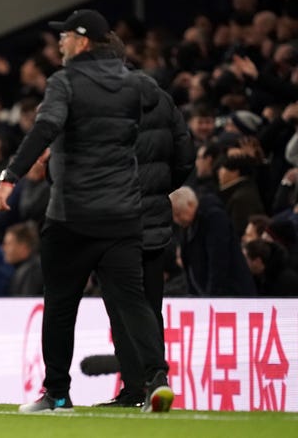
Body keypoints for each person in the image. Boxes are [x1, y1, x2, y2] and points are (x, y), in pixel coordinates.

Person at [0, 9, 173, 413]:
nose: (60, 42)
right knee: (132, 301)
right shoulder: (135, 84)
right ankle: (156, 378)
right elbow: (157, 116)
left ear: (84, 41)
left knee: (59, 305)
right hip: (124, 214)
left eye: (67, 36)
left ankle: (57, 393)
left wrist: (9, 177)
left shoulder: (65, 82)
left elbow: (45, 127)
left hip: (72, 216)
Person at [95, 69, 194, 407]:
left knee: (121, 308)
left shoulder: (105, 104)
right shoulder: (164, 101)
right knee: (150, 307)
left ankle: (137, 386)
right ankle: (152, 384)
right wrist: (157, 190)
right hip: (154, 223)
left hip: (115, 223)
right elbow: (185, 158)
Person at [169, 186, 257, 296]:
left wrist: (212, 296)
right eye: (174, 217)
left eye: (178, 214)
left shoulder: (214, 217)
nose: (177, 220)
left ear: (190, 204)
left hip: (230, 293)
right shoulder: (188, 226)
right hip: (205, 294)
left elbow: (218, 258)